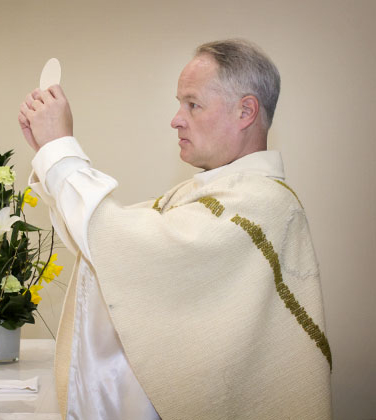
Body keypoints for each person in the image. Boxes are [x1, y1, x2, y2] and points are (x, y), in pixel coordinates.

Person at [18, 39, 332, 420]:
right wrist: (50, 159)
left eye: (193, 104)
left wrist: (60, 150)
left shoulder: (263, 203)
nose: (176, 118)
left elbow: (122, 243)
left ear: (245, 111)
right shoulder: (211, 192)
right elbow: (102, 242)